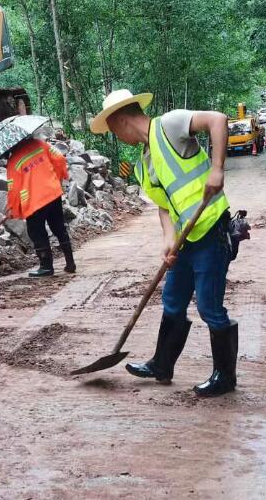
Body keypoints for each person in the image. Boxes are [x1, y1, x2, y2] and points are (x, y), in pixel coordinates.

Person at [90, 89, 238, 397]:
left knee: (210, 307)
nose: (116, 137)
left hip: (210, 229)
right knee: (172, 299)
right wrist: (169, 241)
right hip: (185, 239)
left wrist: (217, 169)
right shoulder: (144, 162)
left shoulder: (168, 125)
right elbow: (164, 206)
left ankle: (225, 377)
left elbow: (218, 120)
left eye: (113, 131)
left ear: (120, 122)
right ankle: (162, 364)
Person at [5, 132, 73, 277]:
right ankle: (70, 263)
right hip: (53, 193)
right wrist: (59, 178)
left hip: (34, 202)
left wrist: (12, 208)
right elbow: (60, 158)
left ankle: (46, 267)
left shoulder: (13, 161)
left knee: (37, 232)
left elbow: (14, 189)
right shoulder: (40, 144)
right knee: (59, 227)